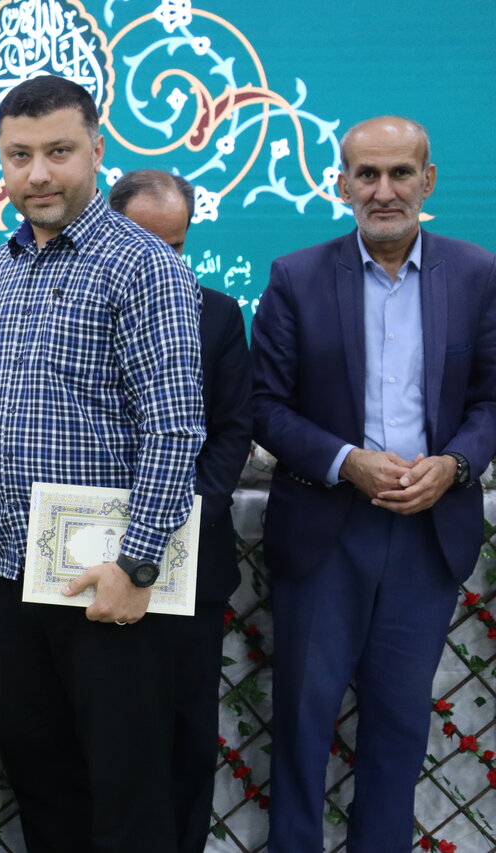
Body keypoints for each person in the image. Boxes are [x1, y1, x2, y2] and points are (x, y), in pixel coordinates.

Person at [0, 77, 206, 852]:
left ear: (96, 151)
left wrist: (135, 564)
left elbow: (174, 429)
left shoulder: (143, 266)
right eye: (19, 155)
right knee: (40, 774)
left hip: (111, 582)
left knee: (126, 789)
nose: (38, 174)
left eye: (58, 152)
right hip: (16, 575)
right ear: (1, 162)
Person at [252, 116, 496, 853]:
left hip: (428, 531)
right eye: (367, 175)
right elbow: (265, 404)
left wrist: (453, 465)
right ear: (342, 185)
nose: (383, 191)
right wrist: (346, 460)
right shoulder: (296, 277)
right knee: (303, 720)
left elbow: (490, 400)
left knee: (398, 722)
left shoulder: (477, 273)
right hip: (326, 530)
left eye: (400, 173)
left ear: (428, 180)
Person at [108, 170, 253, 853]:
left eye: (175, 247)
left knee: (186, 736)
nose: (161, 263)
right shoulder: (71, 304)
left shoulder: (217, 314)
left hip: (188, 566)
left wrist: (180, 515)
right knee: (103, 735)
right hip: (89, 560)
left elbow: (232, 430)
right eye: (144, 244)